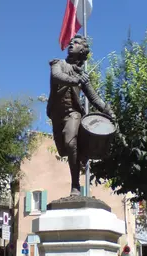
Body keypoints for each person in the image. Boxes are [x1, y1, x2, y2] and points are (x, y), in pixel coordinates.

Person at [47, 34, 115, 196]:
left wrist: (108, 110)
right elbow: (57, 77)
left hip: (73, 113)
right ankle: (79, 160)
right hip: (57, 115)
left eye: (76, 43)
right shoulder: (58, 64)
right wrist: (77, 79)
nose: (72, 44)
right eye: (71, 42)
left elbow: (94, 98)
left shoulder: (82, 76)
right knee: (64, 148)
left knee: (71, 143)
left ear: (82, 51)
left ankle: (75, 185)